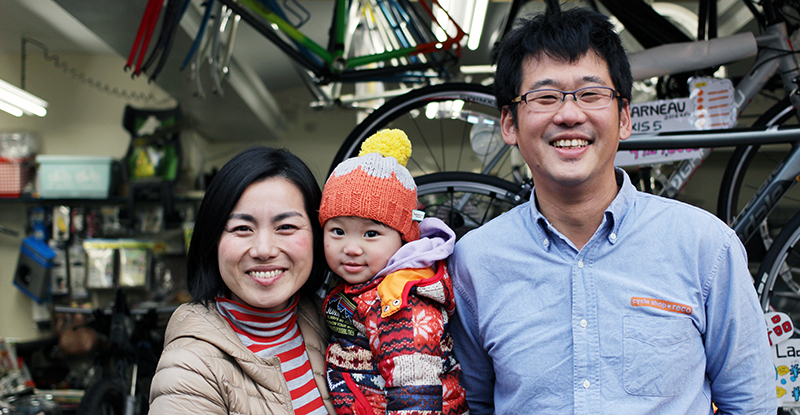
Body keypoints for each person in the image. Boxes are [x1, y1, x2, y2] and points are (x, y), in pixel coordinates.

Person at [448, 7, 776, 415]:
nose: (569, 115)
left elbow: (751, 405)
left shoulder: (705, 247)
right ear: (509, 124)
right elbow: (472, 405)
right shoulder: (475, 263)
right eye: (545, 97)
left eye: (591, 94)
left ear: (624, 118)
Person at [149, 146, 336, 415]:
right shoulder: (188, 369)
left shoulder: (330, 321)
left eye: (286, 227)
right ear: (212, 241)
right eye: (242, 229)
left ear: (318, 236)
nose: (263, 249)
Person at [318, 129, 469, 415]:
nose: (351, 247)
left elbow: (416, 394)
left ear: (404, 239)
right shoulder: (363, 285)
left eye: (371, 234)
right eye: (338, 231)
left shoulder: (399, 301)